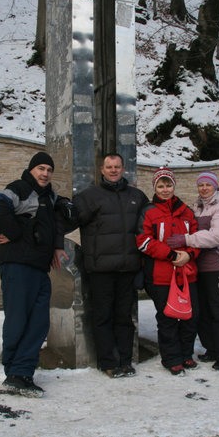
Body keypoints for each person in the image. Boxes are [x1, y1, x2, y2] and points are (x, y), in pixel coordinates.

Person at [0, 151, 71, 398]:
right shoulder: (20, 188)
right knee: (18, 319)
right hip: (18, 266)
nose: (45, 173)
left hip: (39, 267)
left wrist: (56, 245)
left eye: (49, 170)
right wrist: (14, 232)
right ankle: (14, 371)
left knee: (39, 322)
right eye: (41, 168)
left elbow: (57, 222)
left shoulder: (50, 196)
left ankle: (22, 372)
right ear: (32, 169)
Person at [72, 153, 149, 378]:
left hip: (128, 268)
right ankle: (108, 362)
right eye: (109, 167)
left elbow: (152, 224)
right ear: (102, 170)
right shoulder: (89, 197)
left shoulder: (136, 196)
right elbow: (66, 220)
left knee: (124, 317)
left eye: (117, 166)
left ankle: (125, 361)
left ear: (123, 168)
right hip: (101, 269)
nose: (113, 170)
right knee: (103, 316)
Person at [166, 171, 219, 371]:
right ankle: (212, 348)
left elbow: (216, 236)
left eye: (208, 184)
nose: (204, 188)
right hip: (200, 265)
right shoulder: (198, 207)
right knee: (204, 310)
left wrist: (185, 239)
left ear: (215, 186)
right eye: (201, 185)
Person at [136, 167, 200, 375]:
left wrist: (189, 254)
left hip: (187, 273)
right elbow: (143, 241)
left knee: (190, 316)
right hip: (160, 276)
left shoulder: (187, 212)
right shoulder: (148, 211)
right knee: (168, 318)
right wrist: (171, 255)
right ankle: (172, 358)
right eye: (161, 186)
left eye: (168, 185)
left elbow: (198, 239)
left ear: (174, 186)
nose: (165, 189)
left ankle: (186, 354)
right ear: (155, 187)